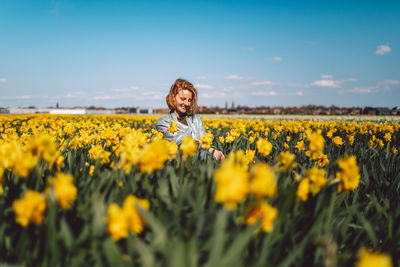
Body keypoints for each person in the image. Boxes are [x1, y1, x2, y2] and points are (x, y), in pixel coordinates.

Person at [156, 78, 225, 161]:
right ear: (173, 98)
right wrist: (210, 151)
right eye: (183, 99)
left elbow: (205, 142)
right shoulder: (163, 122)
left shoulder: (196, 119)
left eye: (189, 100)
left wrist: (213, 151)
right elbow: (181, 141)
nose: (187, 103)